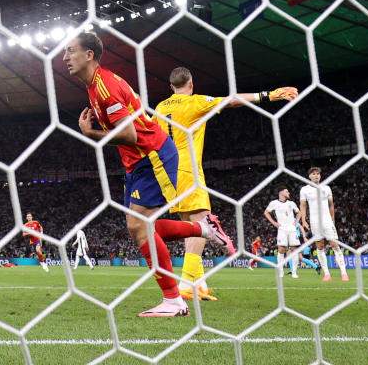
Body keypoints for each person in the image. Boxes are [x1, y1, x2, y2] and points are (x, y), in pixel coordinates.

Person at [63, 32, 234, 317]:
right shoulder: (96, 86)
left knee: (139, 226)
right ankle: (203, 229)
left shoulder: (105, 87)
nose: (65, 58)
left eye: (71, 51)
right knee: (141, 227)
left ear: (89, 54)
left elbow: (129, 134)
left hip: (152, 155)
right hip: (137, 161)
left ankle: (173, 299)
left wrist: (92, 133)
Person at [154, 68, 297, 300]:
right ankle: (184, 285)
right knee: (204, 225)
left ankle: (198, 284)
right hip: (188, 170)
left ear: (171, 87)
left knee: (192, 228)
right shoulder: (195, 102)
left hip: (167, 173)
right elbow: (231, 101)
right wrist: (268, 95)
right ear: (191, 84)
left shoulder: (160, 108)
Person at [299, 167, 349, 282]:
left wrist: (333, 219)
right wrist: (303, 220)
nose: (316, 175)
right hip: (315, 222)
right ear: (309, 176)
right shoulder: (304, 190)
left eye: (318, 174)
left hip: (327, 221)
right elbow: (303, 206)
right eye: (314, 174)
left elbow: (331, 205)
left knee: (335, 245)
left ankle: (344, 273)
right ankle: (327, 274)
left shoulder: (326, 188)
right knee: (320, 247)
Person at [265, 187, 300, 278]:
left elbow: (299, 212)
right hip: (282, 229)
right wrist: (274, 223)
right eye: (287, 191)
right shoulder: (274, 203)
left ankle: (294, 272)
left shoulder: (291, 203)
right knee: (281, 249)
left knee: (294, 249)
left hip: (292, 228)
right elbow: (266, 212)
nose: (289, 192)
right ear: (281, 193)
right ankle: (281, 272)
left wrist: (296, 222)